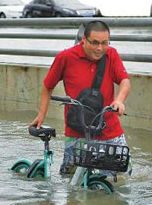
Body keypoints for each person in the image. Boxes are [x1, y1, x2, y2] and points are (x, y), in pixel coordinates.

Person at [29, 20, 131, 178]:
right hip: (77, 130)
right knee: (71, 179)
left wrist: (119, 100)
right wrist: (42, 114)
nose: (100, 48)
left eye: (105, 43)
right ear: (84, 39)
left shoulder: (111, 54)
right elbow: (47, 86)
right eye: (95, 43)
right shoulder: (66, 57)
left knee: (122, 177)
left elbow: (125, 81)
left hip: (109, 128)